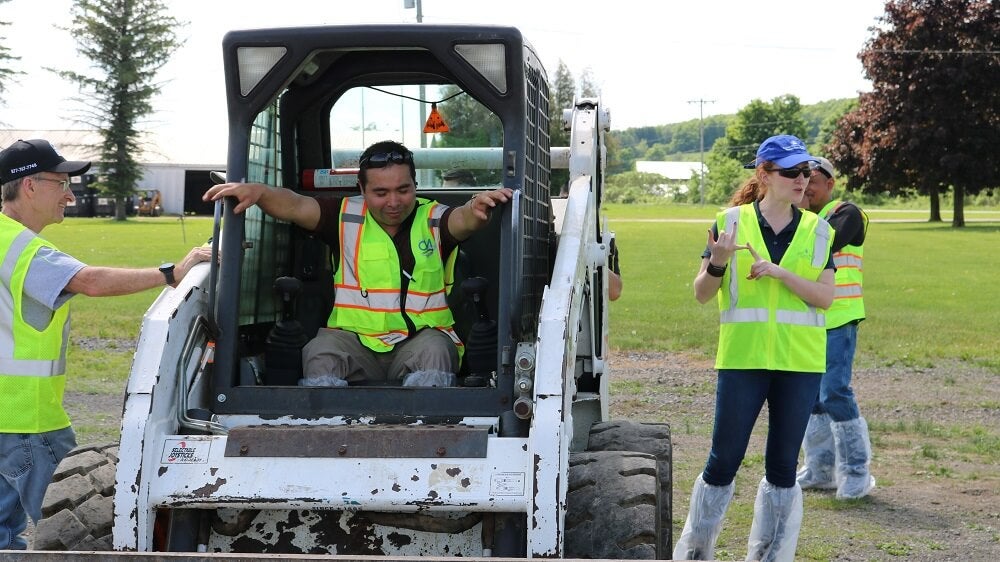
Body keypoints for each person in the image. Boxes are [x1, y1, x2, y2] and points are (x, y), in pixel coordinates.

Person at [0, 138, 212, 550]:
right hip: (17, 418)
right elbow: (89, 281)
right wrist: (172, 272)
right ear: (29, 186)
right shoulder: (20, 248)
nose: (70, 195)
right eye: (61, 183)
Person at [203, 140, 512, 386]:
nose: (393, 202)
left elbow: (462, 220)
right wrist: (259, 192)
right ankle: (323, 436)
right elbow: (295, 205)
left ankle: (428, 437)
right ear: (362, 191)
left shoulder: (434, 217)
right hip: (352, 343)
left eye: (403, 190)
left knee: (436, 351)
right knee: (319, 352)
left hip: (420, 340)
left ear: (415, 185)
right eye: (381, 192)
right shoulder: (342, 216)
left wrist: (475, 208)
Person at [674, 134, 835, 562]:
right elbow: (702, 293)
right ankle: (695, 553)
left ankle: (770, 557)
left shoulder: (820, 230)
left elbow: (824, 298)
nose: (802, 180)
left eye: (806, 172)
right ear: (764, 175)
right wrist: (719, 262)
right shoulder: (728, 221)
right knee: (723, 461)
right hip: (743, 361)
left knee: (783, 469)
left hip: (800, 363)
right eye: (791, 172)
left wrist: (781, 274)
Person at [797, 156, 875, 499]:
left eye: (811, 180)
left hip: (839, 318)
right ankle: (820, 469)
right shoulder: (803, 219)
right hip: (808, 319)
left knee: (834, 392)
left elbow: (822, 245)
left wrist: (797, 211)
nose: (806, 187)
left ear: (830, 183)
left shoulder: (847, 214)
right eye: (800, 179)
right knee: (811, 398)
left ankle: (857, 471)